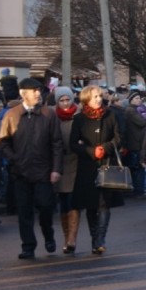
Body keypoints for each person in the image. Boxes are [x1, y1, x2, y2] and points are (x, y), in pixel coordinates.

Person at [0, 78, 63, 259]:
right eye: (33, 91)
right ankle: (28, 246)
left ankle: (48, 235)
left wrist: (56, 169)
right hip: (20, 172)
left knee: (46, 206)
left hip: (44, 171)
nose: (38, 93)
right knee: (24, 211)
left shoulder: (49, 114)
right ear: (23, 93)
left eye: (39, 90)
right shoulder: (12, 115)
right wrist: (14, 158)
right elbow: (2, 141)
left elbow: (57, 144)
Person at [69, 85, 125, 255]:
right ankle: (95, 238)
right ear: (87, 99)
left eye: (100, 96)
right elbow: (73, 144)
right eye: (95, 97)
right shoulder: (79, 119)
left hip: (107, 163)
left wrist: (106, 147)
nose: (99, 99)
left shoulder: (111, 115)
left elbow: (119, 137)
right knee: (91, 204)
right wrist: (90, 151)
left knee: (104, 203)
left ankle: (100, 239)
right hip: (88, 166)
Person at [53, 87, 80, 253]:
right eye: (61, 100)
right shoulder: (52, 117)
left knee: (73, 201)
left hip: (76, 162)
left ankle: (72, 239)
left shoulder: (79, 116)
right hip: (59, 163)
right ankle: (66, 237)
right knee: (63, 202)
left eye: (67, 99)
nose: (65, 103)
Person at [124, 90, 146, 197]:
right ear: (131, 100)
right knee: (138, 168)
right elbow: (142, 122)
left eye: (139, 98)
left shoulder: (137, 109)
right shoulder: (131, 111)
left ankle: (139, 189)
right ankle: (138, 190)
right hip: (135, 143)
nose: (139, 100)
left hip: (137, 142)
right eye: (136, 98)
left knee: (138, 168)